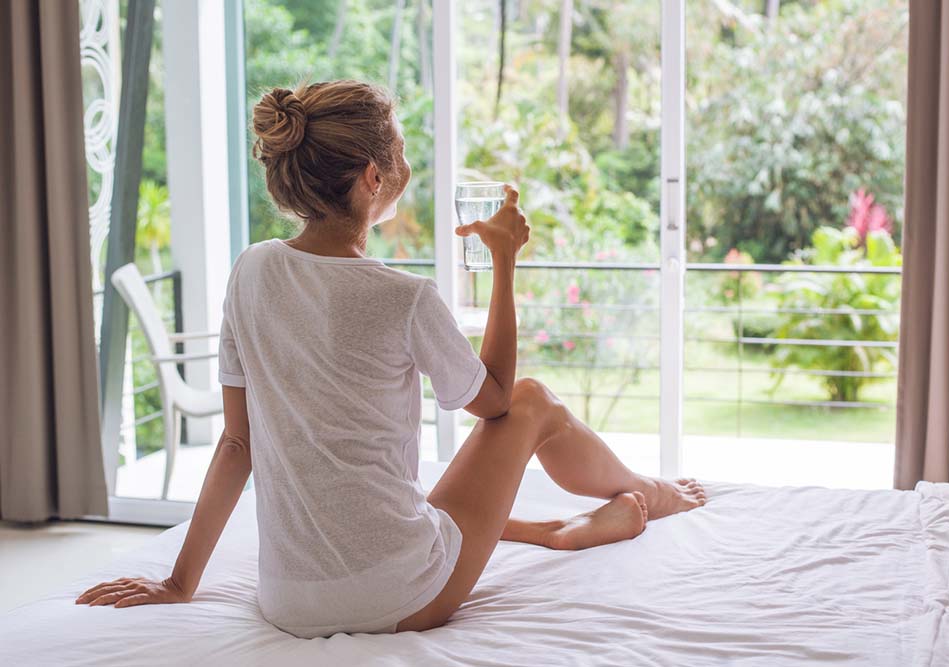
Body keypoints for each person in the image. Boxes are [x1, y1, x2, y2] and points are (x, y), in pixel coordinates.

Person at [75, 80, 706, 637]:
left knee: (394, 490)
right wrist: (506, 262)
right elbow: (496, 401)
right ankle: (652, 490)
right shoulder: (403, 296)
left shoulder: (251, 270)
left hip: (288, 602)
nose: (407, 164)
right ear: (373, 177)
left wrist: (180, 583)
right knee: (534, 399)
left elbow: (235, 448)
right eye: (399, 153)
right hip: (403, 594)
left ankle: (556, 531)